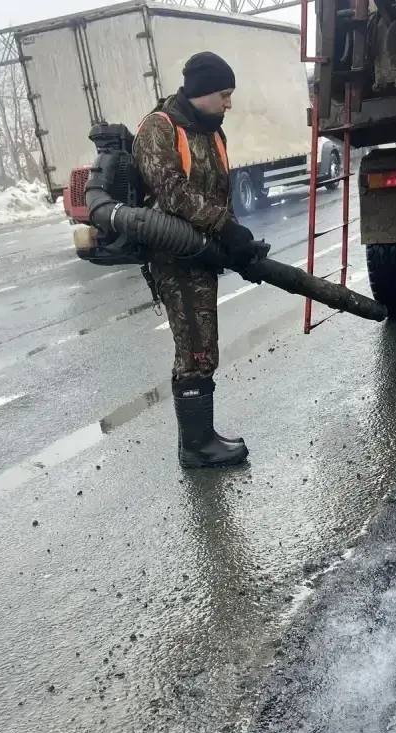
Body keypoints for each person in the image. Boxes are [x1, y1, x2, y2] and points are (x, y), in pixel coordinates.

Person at [133, 52, 264, 467]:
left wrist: (239, 240)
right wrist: (224, 227)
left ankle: (201, 437)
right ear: (202, 91)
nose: (229, 103)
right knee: (194, 349)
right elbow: (172, 190)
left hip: (202, 254)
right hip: (174, 256)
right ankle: (196, 447)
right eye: (224, 94)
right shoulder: (160, 128)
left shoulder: (211, 132)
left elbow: (219, 193)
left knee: (204, 344)